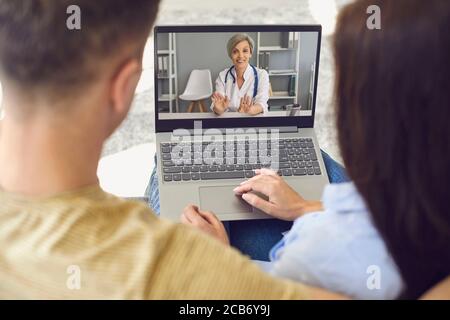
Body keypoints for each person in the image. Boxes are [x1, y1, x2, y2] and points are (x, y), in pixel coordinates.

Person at [0, 0, 346, 299]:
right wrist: (216, 262)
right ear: (124, 87)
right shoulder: (169, 265)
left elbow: (257, 105)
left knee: (169, 157)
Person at [176, 0, 450, 299]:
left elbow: (260, 106)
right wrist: (305, 207)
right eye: (236, 51)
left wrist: (219, 263)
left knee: (175, 175)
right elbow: (221, 109)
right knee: (313, 158)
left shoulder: (314, 253)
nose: (240, 55)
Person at [211, 33, 270, 116]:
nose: (241, 56)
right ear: (230, 55)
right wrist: (219, 109)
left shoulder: (261, 75)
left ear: (250, 53)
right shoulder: (223, 76)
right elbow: (218, 106)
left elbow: (262, 103)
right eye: (235, 52)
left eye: (245, 51)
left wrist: (250, 110)